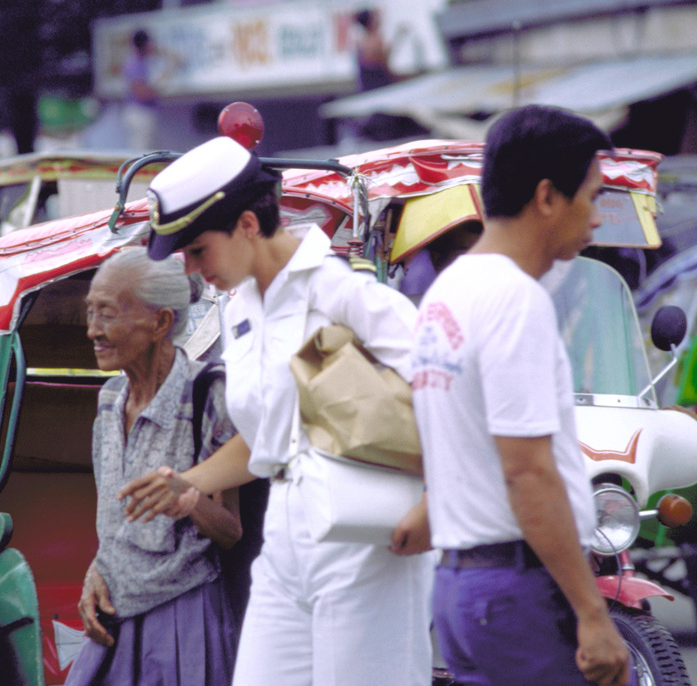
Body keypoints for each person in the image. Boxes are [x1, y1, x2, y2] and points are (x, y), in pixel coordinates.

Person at [119, 136, 433, 685]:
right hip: (286, 538)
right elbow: (274, 442)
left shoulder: (340, 294)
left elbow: (448, 397)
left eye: (198, 250)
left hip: (364, 535)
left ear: (246, 224)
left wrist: (437, 505)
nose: (192, 269)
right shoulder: (243, 310)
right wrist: (186, 484)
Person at [410, 104, 632, 686]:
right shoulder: (515, 299)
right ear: (547, 197)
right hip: (517, 589)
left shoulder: (448, 291)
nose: (597, 218)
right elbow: (527, 474)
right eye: (592, 195)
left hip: (464, 589)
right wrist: (591, 613)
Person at [64, 247, 243, 686]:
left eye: (106, 315)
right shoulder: (109, 400)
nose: (92, 331)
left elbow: (230, 530)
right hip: (113, 617)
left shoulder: (208, 394)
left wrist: (187, 495)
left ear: (161, 322)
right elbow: (113, 518)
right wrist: (96, 570)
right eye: (91, 314)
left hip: (182, 619)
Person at [122, 29, 160, 151]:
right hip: (139, 112)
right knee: (141, 150)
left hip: (139, 112)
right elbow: (141, 93)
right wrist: (157, 89)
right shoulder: (135, 64)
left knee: (144, 148)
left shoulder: (141, 62)